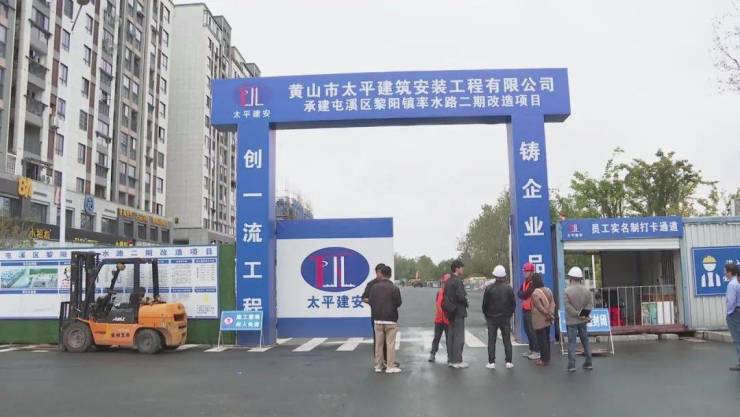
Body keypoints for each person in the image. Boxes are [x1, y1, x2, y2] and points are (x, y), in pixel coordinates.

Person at [368, 265, 402, 374]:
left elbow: (371, 301)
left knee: (378, 344)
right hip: (390, 320)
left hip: (377, 320)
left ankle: (378, 366)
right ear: (390, 275)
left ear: (381, 274)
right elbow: (398, 303)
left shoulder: (374, 288)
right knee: (390, 344)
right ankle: (390, 366)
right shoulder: (394, 288)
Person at [482, 265, 516, 369]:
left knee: (491, 340)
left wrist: (487, 315)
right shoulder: (508, 288)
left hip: (491, 318)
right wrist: (509, 314)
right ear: (504, 276)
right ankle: (508, 362)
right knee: (507, 340)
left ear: (494, 275)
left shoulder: (489, 288)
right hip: (505, 318)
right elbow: (513, 304)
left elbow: (484, 305)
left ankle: (491, 362)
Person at [564, 266, 594, 372]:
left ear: (571, 278)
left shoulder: (567, 291)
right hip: (583, 321)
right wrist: (582, 315)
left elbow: (568, 307)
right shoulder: (587, 291)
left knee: (572, 343)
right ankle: (589, 362)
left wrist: (577, 314)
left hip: (571, 321)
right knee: (585, 341)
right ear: (580, 278)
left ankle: (572, 365)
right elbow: (590, 306)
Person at [363, 263, 391, 366]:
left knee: (388, 340)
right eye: (379, 272)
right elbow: (364, 298)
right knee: (378, 340)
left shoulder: (389, 284)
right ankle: (378, 361)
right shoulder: (372, 284)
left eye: (382, 272)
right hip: (376, 315)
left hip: (388, 316)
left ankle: (388, 360)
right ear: (376, 272)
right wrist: (374, 301)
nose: (381, 274)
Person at [444, 260, 469, 369]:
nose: (463, 269)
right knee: (459, 337)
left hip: (450, 311)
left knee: (451, 336)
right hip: (458, 311)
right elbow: (461, 296)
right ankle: (457, 360)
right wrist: (466, 302)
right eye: (461, 267)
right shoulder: (458, 281)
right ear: (457, 268)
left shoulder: (448, 281)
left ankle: (451, 359)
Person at [531, 274, 555, 366]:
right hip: (548, 319)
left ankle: (543, 359)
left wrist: (546, 313)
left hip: (539, 319)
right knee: (547, 338)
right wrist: (550, 313)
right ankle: (547, 357)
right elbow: (553, 303)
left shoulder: (535, 293)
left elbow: (539, 307)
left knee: (542, 340)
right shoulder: (548, 290)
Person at [517, 262, 539, 360]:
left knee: (532, 331)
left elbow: (525, 294)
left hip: (532, 310)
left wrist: (523, 294)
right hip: (525, 309)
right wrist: (522, 294)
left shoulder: (533, 282)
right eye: (524, 271)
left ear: (531, 272)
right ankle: (531, 349)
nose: (524, 273)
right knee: (527, 330)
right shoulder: (525, 282)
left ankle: (536, 351)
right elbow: (519, 293)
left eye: (526, 271)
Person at [428, 273, 450, 363]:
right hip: (439, 319)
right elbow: (437, 304)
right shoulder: (439, 292)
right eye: (443, 283)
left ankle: (450, 355)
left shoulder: (451, 293)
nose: (443, 284)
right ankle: (432, 354)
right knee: (436, 338)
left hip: (448, 320)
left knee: (449, 339)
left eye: (445, 283)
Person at [724, 262, 740, 371]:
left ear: (730, 272)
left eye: (725, 271)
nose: (724, 273)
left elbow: (731, 301)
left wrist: (729, 313)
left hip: (735, 313)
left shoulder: (732, 284)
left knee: (737, 338)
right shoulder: (737, 282)